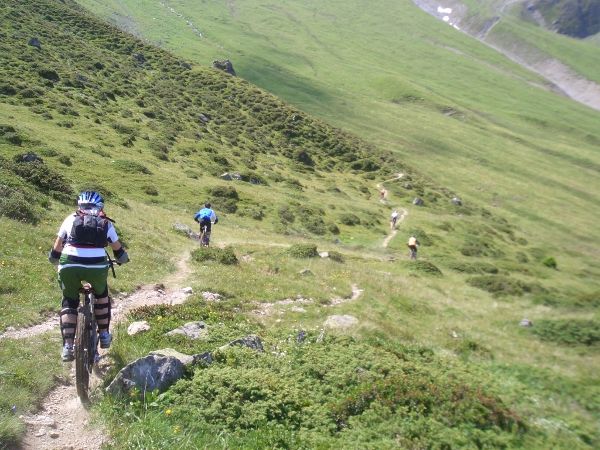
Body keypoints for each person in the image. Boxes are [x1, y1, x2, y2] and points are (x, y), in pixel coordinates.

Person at [48, 191, 129, 362]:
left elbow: (57, 246)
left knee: (69, 300)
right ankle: (104, 335)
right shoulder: (105, 223)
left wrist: (54, 259)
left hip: (69, 263)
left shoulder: (70, 219)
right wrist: (123, 259)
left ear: (80, 205)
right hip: (96, 265)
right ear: (100, 207)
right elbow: (118, 250)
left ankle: (68, 347)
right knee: (102, 295)